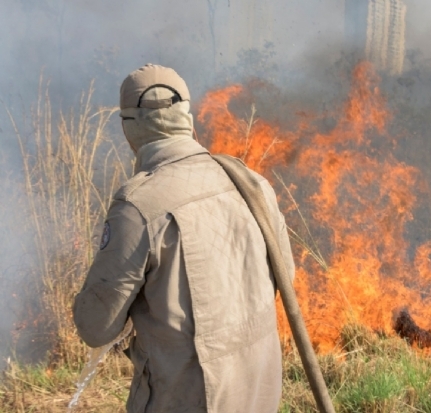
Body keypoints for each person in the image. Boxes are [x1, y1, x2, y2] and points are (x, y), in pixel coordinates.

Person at [73, 64, 295, 413]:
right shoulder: (252, 183)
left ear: (129, 127)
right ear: (187, 118)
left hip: (188, 399)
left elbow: (95, 327)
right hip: (259, 393)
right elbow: (286, 278)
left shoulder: (137, 205)